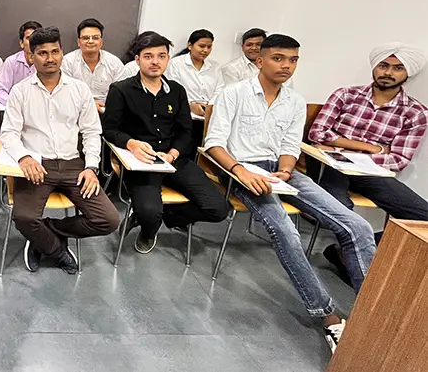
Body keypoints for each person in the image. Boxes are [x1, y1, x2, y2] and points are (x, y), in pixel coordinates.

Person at [204, 34, 376, 353]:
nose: (287, 66)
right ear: (260, 60)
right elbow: (214, 143)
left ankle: (373, 315)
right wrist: (241, 172)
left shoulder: (295, 101)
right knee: (285, 230)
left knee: (358, 226)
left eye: (293, 60)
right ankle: (329, 318)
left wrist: (285, 170)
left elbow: (289, 147)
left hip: (284, 172)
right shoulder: (233, 93)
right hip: (243, 169)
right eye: (279, 58)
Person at [0, 26, 120, 274]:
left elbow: (91, 131)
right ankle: (55, 249)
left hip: (74, 165)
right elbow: (9, 133)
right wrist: (24, 158)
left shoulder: (79, 89)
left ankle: (44, 235)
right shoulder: (20, 91)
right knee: (24, 218)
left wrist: (91, 167)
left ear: (63, 53)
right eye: (42, 53)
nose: (50, 58)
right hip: (37, 165)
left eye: (55, 51)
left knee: (108, 220)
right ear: (31, 57)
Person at [102, 32, 229, 253]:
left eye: (161, 56)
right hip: (140, 161)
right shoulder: (120, 90)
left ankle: (165, 216)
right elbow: (110, 130)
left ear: (168, 59)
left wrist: (173, 154)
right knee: (150, 211)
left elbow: (185, 130)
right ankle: (148, 228)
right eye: (148, 56)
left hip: (174, 159)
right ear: (137, 60)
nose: (155, 62)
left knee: (218, 209)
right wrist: (131, 143)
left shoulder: (177, 91)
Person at [308, 43, 428, 255]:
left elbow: (399, 159)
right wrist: (374, 148)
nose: (388, 73)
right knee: (340, 211)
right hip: (328, 163)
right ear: (375, 67)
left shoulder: (416, 113)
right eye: (383, 65)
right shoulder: (345, 95)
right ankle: (353, 255)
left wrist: (343, 148)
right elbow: (317, 134)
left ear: (407, 73)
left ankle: (349, 255)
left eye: (398, 68)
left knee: (424, 218)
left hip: (370, 171)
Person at [166, 29, 224, 146]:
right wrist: (190, 105)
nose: (205, 50)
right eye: (202, 46)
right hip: (183, 117)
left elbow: (220, 89)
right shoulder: (176, 64)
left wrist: (209, 107)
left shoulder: (215, 67)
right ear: (190, 45)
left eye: (209, 47)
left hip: (208, 118)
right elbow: (172, 89)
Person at [60, 18, 124, 114]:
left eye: (95, 37)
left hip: (107, 111)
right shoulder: (67, 62)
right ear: (78, 42)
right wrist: (90, 104)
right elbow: (64, 92)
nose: (90, 41)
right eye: (85, 38)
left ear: (101, 42)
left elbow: (121, 93)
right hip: (76, 110)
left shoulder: (114, 63)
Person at [0, 20, 42, 106]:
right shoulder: (11, 62)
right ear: (21, 43)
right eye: (29, 38)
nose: (33, 42)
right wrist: (16, 104)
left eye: (36, 38)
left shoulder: (46, 63)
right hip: (15, 108)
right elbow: (1, 91)